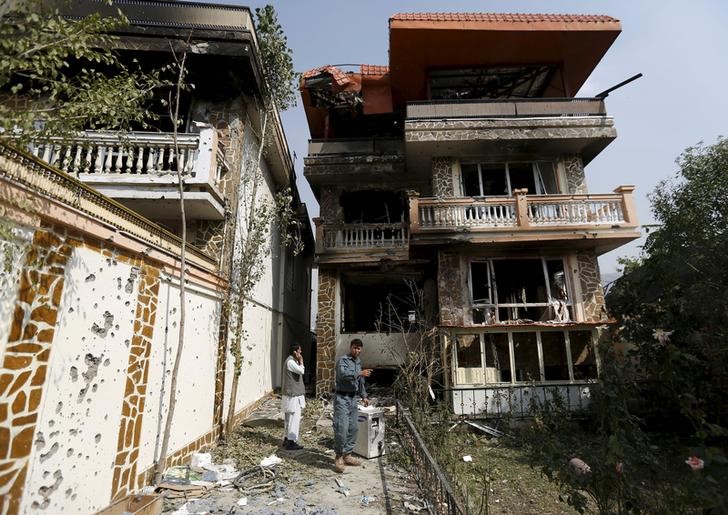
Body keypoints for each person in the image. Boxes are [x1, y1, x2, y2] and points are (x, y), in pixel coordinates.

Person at [332, 338, 372, 472]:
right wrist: (359, 373)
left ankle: (347, 455)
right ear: (351, 348)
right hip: (341, 398)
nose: (357, 350)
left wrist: (364, 396)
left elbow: (360, 382)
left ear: (361, 349)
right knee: (341, 428)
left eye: (359, 348)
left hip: (353, 399)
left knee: (353, 428)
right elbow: (343, 375)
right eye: (354, 348)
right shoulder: (343, 360)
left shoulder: (358, 362)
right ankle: (338, 456)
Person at [281, 343, 305, 451]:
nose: (301, 354)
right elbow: (301, 371)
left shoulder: (291, 361)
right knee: (293, 418)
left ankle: (287, 439)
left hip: (292, 396)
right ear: (295, 352)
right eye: (299, 352)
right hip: (292, 396)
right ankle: (291, 441)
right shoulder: (291, 362)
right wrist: (301, 361)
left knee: (289, 418)